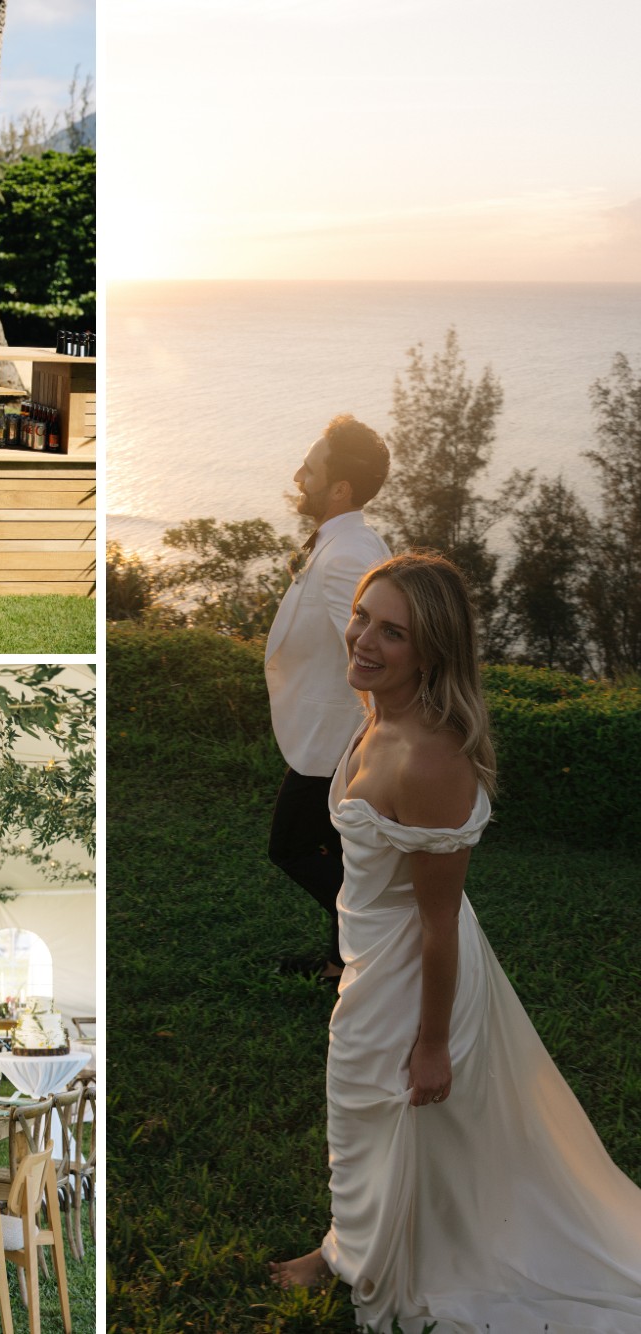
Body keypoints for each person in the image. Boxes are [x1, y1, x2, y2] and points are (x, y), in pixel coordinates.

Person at [271, 551, 641, 1333]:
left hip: (412, 971)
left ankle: (373, 1262)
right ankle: (346, 1249)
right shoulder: (381, 716)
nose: (363, 640)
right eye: (363, 616)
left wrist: (433, 1042)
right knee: (361, 1115)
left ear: (432, 652)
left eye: (392, 633)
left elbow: (438, 920)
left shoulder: (432, 757)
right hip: (373, 958)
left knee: (389, 1110)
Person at [265, 414, 390, 980]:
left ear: (340, 488)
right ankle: (341, 961)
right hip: (334, 732)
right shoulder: (349, 540)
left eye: (310, 470)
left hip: (338, 738)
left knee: (290, 847)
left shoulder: (346, 557)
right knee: (336, 852)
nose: (299, 476)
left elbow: (377, 653)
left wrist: (375, 739)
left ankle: (377, 939)